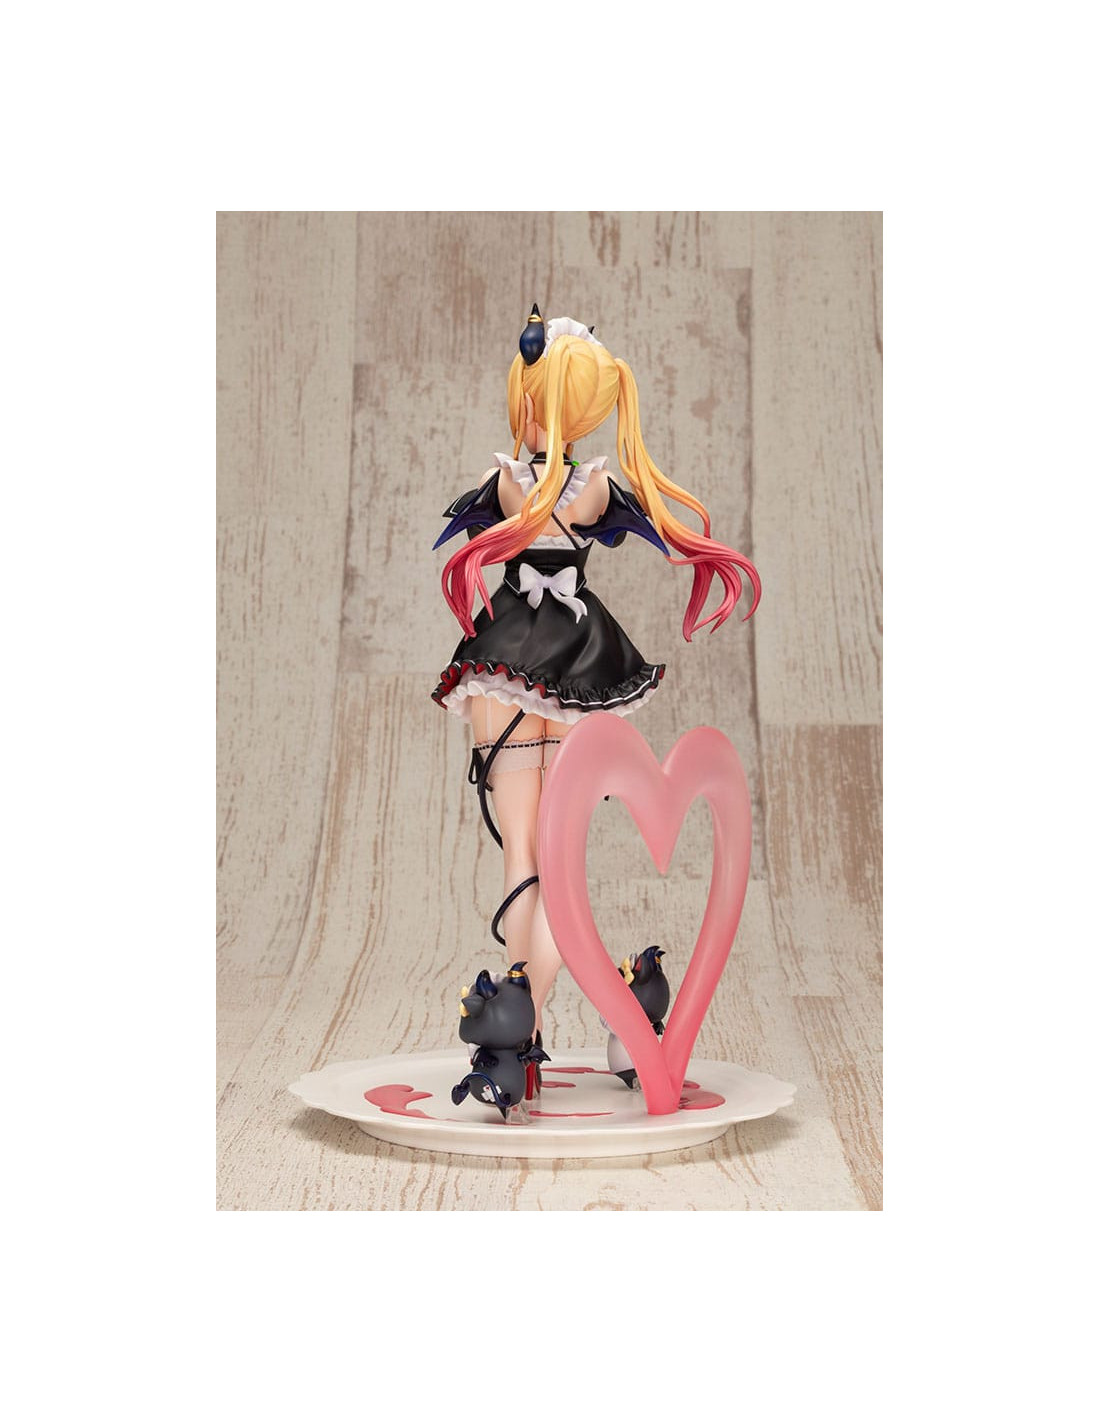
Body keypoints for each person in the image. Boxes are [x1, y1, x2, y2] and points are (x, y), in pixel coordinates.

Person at [432, 308, 760, 1044]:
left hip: (505, 661)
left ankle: (520, 1027)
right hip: (578, 661)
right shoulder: (594, 490)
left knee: (524, 856)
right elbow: (642, 525)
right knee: (558, 860)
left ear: (532, 401)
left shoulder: (504, 483)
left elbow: (482, 525)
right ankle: (528, 1025)